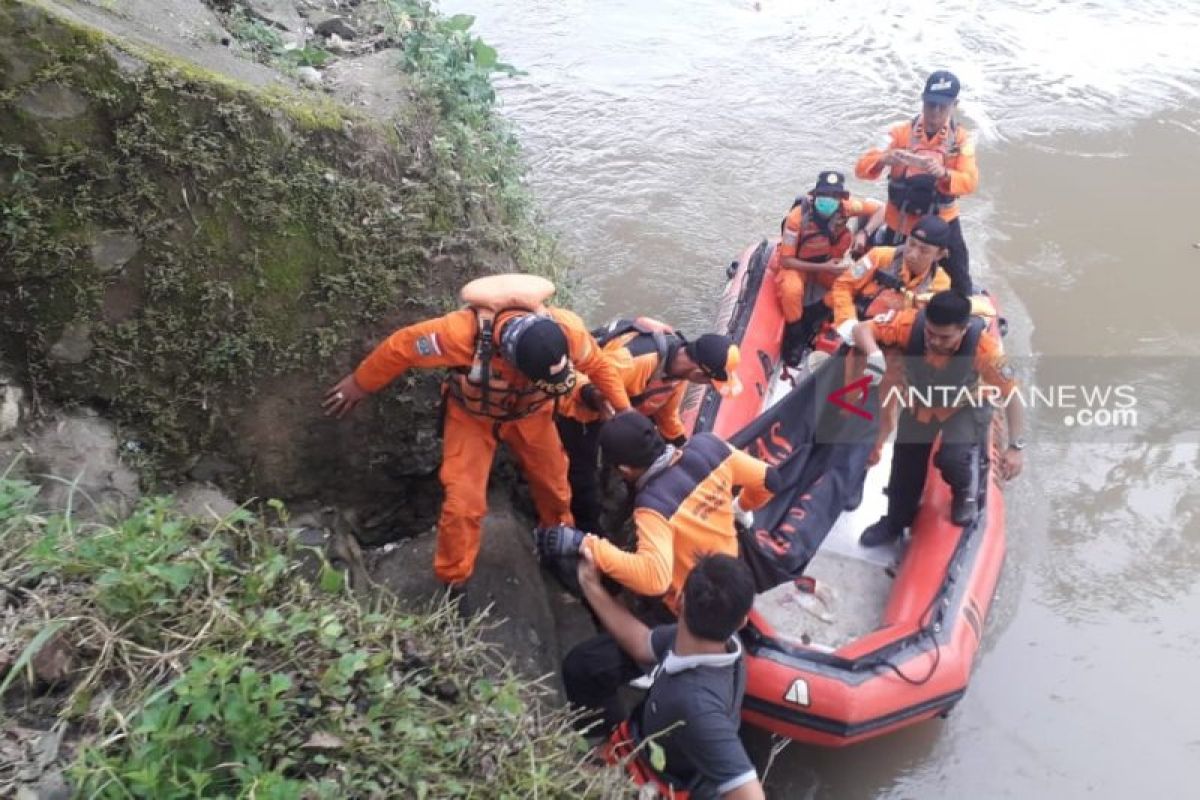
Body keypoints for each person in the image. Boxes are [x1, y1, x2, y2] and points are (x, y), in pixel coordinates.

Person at [322, 274, 631, 595]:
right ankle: (454, 579)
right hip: (472, 419)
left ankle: (556, 540)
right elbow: (401, 348)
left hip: (532, 416)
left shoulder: (568, 330)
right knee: (462, 503)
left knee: (555, 486)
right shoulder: (458, 335)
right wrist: (359, 384)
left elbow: (598, 365)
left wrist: (625, 411)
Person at [547, 412, 777, 727]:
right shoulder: (709, 447)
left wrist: (586, 545)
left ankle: (607, 732)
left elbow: (654, 579)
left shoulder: (654, 506)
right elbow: (769, 479)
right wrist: (741, 508)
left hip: (688, 607)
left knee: (584, 667)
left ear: (625, 469)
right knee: (620, 568)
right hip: (723, 577)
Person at [573, 552, 766, 799]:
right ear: (741, 622)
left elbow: (749, 794)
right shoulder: (725, 641)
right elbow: (643, 643)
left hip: (657, 781)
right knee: (584, 665)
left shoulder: (696, 705)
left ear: (679, 601)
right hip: (645, 740)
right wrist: (590, 583)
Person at [851, 291, 1025, 547]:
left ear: (963, 330)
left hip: (965, 405)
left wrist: (1015, 447)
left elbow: (1013, 396)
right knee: (905, 465)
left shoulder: (984, 349)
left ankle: (965, 490)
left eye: (945, 337)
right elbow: (862, 329)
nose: (934, 341)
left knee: (953, 457)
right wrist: (875, 355)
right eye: (930, 333)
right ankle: (896, 520)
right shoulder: (909, 325)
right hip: (922, 401)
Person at [556, 320, 742, 535]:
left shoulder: (677, 374)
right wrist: (594, 398)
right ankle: (585, 531)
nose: (705, 386)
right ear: (700, 373)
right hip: (578, 408)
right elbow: (572, 381)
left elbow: (666, 415)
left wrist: (684, 448)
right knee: (582, 475)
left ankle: (613, 495)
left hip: (616, 413)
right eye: (709, 382)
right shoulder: (633, 361)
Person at [854, 70, 979, 294]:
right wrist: (883, 159)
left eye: (943, 106)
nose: (935, 112)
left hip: (943, 221)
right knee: (886, 277)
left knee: (959, 277)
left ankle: (962, 309)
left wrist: (944, 174)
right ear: (922, 100)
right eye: (931, 105)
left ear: (954, 104)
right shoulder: (898, 133)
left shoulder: (961, 140)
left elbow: (970, 182)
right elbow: (861, 169)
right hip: (900, 220)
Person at [770, 171, 883, 366]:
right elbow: (787, 260)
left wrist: (864, 233)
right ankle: (795, 334)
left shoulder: (848, 208)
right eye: (824, 195)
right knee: (791, 289)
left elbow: (881, 209)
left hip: (828, 265)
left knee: (854, 285)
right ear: (814, 195)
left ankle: (814, 314)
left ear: (840, 198)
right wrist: (824, 266)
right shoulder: (796, 219)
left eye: (833, 196)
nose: (828, 200)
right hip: (799, 265)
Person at [827, 214, 954, 329]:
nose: (913, 254)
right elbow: (843, 285)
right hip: (854, 319)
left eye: (924, 251)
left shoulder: (941, 284)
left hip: (893, 331)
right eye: (911, 244)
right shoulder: (877, 256)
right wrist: (847, 322)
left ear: (939, 255)